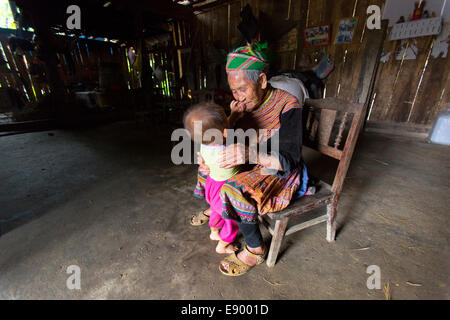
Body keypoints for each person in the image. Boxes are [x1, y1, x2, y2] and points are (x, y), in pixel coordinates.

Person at [193, 42, 308, 276]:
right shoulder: (242, 107)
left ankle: (255, 249)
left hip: (279, 170)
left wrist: (250, 154)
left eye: (242, 89)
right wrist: (207, 156)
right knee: (208, 169)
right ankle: (217, 208)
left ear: (263, 81)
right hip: (250, 162)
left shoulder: (288, 104)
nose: (238, 97)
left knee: (235, 189)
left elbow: (290, 159)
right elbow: (224, 137)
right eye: (233, 91)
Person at [184, 102, 240, 254]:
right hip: (227, 191)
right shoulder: (227, 150)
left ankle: (214, 232)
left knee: (216, 212)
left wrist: (233, 114)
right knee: (231, 220)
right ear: (224, 133)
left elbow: (220, 129)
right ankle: (223, 245)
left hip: (212, 186)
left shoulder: (204, 144)